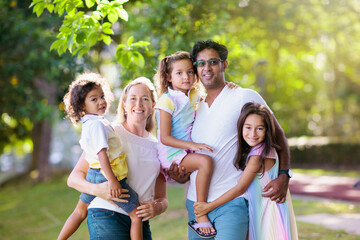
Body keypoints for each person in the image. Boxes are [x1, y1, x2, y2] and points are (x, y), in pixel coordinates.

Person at [165, 39, 291, 240]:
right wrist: (183, 175)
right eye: (201, 63)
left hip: (232, 203)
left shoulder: (244, 96)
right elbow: (193, 152)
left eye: (213, 62)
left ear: (224, 64)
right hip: (196, 205)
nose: (207, 68)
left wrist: (284, 174)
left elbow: (279, 135)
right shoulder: (194, 106)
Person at [66, 77, 168, 239]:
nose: (139, 103)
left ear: (153, 106)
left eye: (145, 99)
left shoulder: (158, 146)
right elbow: (74, 178)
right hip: (107, 214)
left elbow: (163, 196)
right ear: (124, 105)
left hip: (139, 222)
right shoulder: (110, 132)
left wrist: (158, 207)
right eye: (133, 98)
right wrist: (99, 190)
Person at [193, 102, 298, 240]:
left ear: (267, 130)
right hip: (267, 208)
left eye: (259, 128)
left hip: (268, 211)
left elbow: (240, 188)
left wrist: (207, 207)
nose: (253, 134)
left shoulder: (257, 156)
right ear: (241, 127)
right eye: (248, 127)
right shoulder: (267, 149)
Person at [59, 73, 143, 240]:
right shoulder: (97, 125)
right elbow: (101, 154)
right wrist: (112, 181)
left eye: (102, 96)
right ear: (82, 105)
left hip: (94, 174)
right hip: (108, 176)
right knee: (137, 215)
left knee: (80, 210)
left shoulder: (90, 123)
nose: (101, 101)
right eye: (94, 99)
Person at [154, 51, 216, 238]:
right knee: (205, 162)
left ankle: (198, 207)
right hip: (172, 154)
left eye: (190, 72)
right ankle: (201, 212)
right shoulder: (167, 100)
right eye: (179, 73)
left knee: (202, 166)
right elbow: (165, 138)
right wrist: (194, 145)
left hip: (186, 149)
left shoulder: (194, 95)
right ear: (168, 77)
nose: (186, 77)